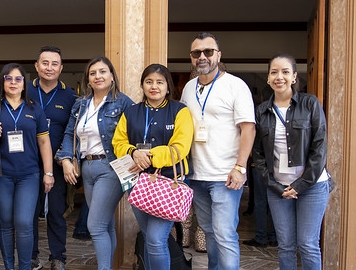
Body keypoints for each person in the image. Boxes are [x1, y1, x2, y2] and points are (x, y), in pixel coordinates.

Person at [0, 46, 76, 270]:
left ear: (61, 68)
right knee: (25, 218)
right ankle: (31, 257)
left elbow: (72, 131)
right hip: (8, 168)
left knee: (54, 211)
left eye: (55, 64)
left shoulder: (71, 95)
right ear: (36, 67)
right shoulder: (14, 98)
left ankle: (57, 258)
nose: (49, 67)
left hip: (51, 164)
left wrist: (60, 164)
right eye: (45, 63)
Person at [179, 32, 256, 269]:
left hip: (225, 176)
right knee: (210, 233)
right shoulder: (189, 88)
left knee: (224, 234)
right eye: (196, 53)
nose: (202, 57)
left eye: (208, 52)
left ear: (218, 55)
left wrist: (240, 167)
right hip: (197, 176)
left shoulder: (236, 86)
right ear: (191, 58)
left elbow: (248, 129)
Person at [112, 63, 194, 269]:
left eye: (160, 82)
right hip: (137, 184)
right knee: (150, 238)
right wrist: (133, 152)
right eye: (149, 82)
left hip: (168, 183)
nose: (154, 86)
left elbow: (180, 147)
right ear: (142, 85)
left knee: (156, 239)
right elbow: (118, 143)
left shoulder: (180, 111)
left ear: (168, 87)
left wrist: (149, 156)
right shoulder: (131, 112)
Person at [56, 56, 134, 270]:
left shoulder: (123, 102)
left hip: (111, 168)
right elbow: (70, 132)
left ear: (111, 76)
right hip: (86, 168)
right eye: (93, 73)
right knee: (105, 224)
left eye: (102, 72)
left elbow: (134, 133)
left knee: (95, 225)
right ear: (88, 79)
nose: (98, 76)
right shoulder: (81, 104)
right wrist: (65, 159)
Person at [253, 54, 330, 270]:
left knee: (307, 244)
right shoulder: (261, 111)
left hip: (313, 186)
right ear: (268, 78)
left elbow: (320, 147)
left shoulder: (309, 103)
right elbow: (258, 155)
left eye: (285, 72)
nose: (280, 77)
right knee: (285, 245)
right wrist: (276, 186)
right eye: (274, 72)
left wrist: (298, 186)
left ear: (294, 76)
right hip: (278, 189)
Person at [0, 63, 54, 270]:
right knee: (6, 223)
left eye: (18, 79)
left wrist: (48, 173)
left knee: (24, 223)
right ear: (2, 81)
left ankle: (25, 267)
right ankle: (9, 266)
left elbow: (44, 142)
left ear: (25, 83)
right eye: (9, 78)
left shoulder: (34, 108)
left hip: (29, 175)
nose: (13, 82)